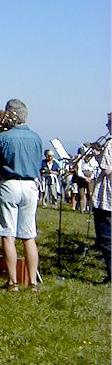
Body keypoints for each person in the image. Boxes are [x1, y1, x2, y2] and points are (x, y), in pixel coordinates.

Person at [0, 99, 42, 292]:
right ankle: (32, 282)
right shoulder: (36, 138)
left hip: (9, 183)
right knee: (29, 235)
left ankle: (12, 282)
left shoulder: (4, 137)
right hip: (30, 185)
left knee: (7, 233)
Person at [92, 113, 111, 284]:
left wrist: (100, 155)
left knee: (106, 237)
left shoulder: (111, 144)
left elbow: (106, 170)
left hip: (108, 196)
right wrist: (99, 154)